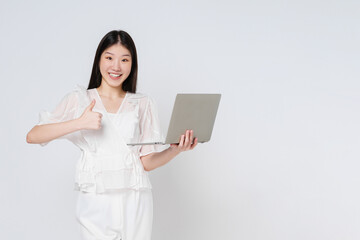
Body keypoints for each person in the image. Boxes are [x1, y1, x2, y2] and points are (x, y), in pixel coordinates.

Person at [26, 30, 198, 240]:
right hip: (95, 199)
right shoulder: (80, 99)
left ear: (132, 64)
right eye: (109, 58)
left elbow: (146, 162)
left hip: (135, 199)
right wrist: (79, 122)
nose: (116, 67)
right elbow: (34, 135)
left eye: (124, 60)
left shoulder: (142, 103)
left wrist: (175, 150)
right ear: (99, 59)